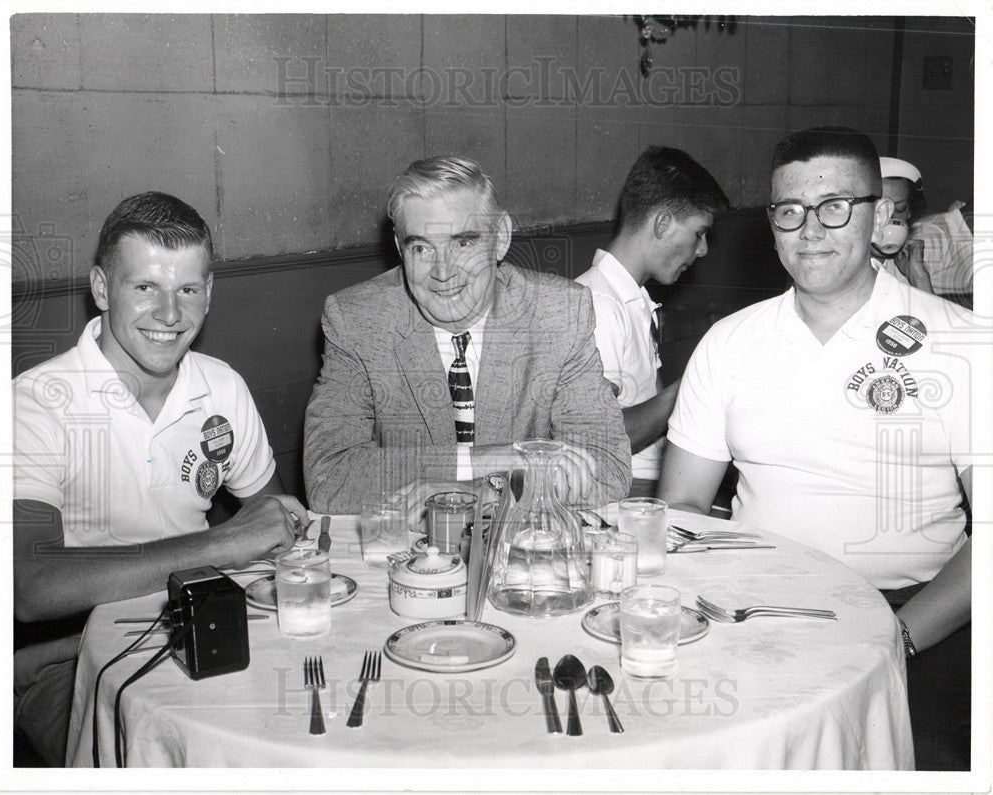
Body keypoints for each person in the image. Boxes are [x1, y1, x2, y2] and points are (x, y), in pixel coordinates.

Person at [659, 127, 973, 770]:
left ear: (880, 213)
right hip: (749, 616)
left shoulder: (961, 344)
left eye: (834, 207)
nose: (810, 231)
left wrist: (898, 638)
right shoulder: (729, 342)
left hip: (915, 622)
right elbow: (684, 505)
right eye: (789, 212)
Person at [13, 192, 310, 766]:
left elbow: (275, 528)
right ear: (102, 289)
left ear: (209, 292)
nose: (170, 314)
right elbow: (29, 585)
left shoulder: (221, 386)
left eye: (188, 289)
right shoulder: (34, 405)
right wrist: (219, 543)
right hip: (67, 659)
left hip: (207, 626)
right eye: (145, 287)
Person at [304, 156, 631, 516]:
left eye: (462, 244)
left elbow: (607, 466)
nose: (443, 272)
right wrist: (487, 460)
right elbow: (328, 478)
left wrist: (478, 495)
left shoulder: (559, 313)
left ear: (500, 238)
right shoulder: (356, 320)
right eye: (421, 249)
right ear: (400, 250)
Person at [576, 146, 728, 497]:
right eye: (699, 233)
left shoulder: (630, 299)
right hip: (619, 494)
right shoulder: (596, 304)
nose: (702, 249)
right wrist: (691, 386)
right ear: (662, 223)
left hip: (644, 484)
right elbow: (600, 440)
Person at [873, 156, 974, 307]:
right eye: (880, 209)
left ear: (909, 213)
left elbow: (931, 324)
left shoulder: (901, 266)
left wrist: (919, 278)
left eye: (899, 209)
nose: (889, 218)